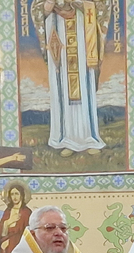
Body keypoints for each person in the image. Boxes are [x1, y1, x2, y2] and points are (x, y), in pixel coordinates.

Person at [30, 0, 109, 155]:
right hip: (58, 36)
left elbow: (101, 5)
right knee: (62, 88)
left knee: (84, 85)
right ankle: (64, 139)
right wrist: (48, 6)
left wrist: (79, 4)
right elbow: (39, 10)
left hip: (83, 33)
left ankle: (89, 138)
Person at [0, 182, 32, 253]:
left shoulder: (26, 212)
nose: (14, 197)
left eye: (16, 194)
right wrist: (8, 222)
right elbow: (0, 235)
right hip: (5, 247)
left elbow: (28, 234)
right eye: (12, 194)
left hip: (19, 247)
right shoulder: (8, 211)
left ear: (21, 195)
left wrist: (10, 241)